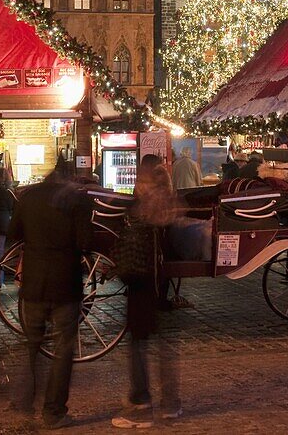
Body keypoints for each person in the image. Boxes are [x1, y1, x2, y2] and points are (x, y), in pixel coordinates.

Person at [6, 157, 89, 428]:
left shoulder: (28, 198)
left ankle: (23, 402)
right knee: (64, 348)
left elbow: (14, 234)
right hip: (65, 281)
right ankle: (53, 411)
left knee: (31, 344)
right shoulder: (78, 201)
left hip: (34, 282)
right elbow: (85, 242)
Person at [112, 154, 181, 429]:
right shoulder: (169, 204)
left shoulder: (140, 209)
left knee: (138, 346)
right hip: (162, 286)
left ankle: (140, 406)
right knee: (164, 348)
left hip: (142, 284)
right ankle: (170, 404)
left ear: (143, 181)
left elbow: (128, 246)